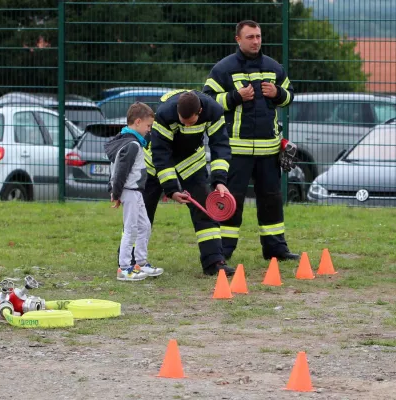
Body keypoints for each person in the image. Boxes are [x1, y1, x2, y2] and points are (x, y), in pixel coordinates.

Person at [203, 19, 300, 262]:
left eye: (258, 36)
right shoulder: (223, 69)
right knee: (230, 202)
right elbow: (207, 103)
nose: (255, 41)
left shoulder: (274, 67)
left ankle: (276, 249)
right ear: (238, 39)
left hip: (269, 150)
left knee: (272, 200)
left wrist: (278, 93)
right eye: (250, 37)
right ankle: (222, 252)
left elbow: (289, 97)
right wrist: (235, 96)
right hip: (236, 151)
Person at [151, 89, 236, 277]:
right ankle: (129, 260)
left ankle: (214, 261)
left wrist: (220, 181)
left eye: (190, 122)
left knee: (206, 208)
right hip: (157, 164)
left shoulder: (214, 112)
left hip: (191, 161)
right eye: (182, 121)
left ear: (200, 112)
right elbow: (160, 154)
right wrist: (171, 189)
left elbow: (220, 146)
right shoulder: (165, 114)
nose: (186, 125)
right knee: (143, 211)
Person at [105, 102, 164, 281]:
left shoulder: (132, 142)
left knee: (144, 226)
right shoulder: (132, 145)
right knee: (130, 229)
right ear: (137, 122)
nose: (149, 130)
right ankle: (124, 267)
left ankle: (140, 262)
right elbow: (120, 171)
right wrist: (115, 193)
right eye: (148, 126)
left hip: (136, 192)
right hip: (130, 191)